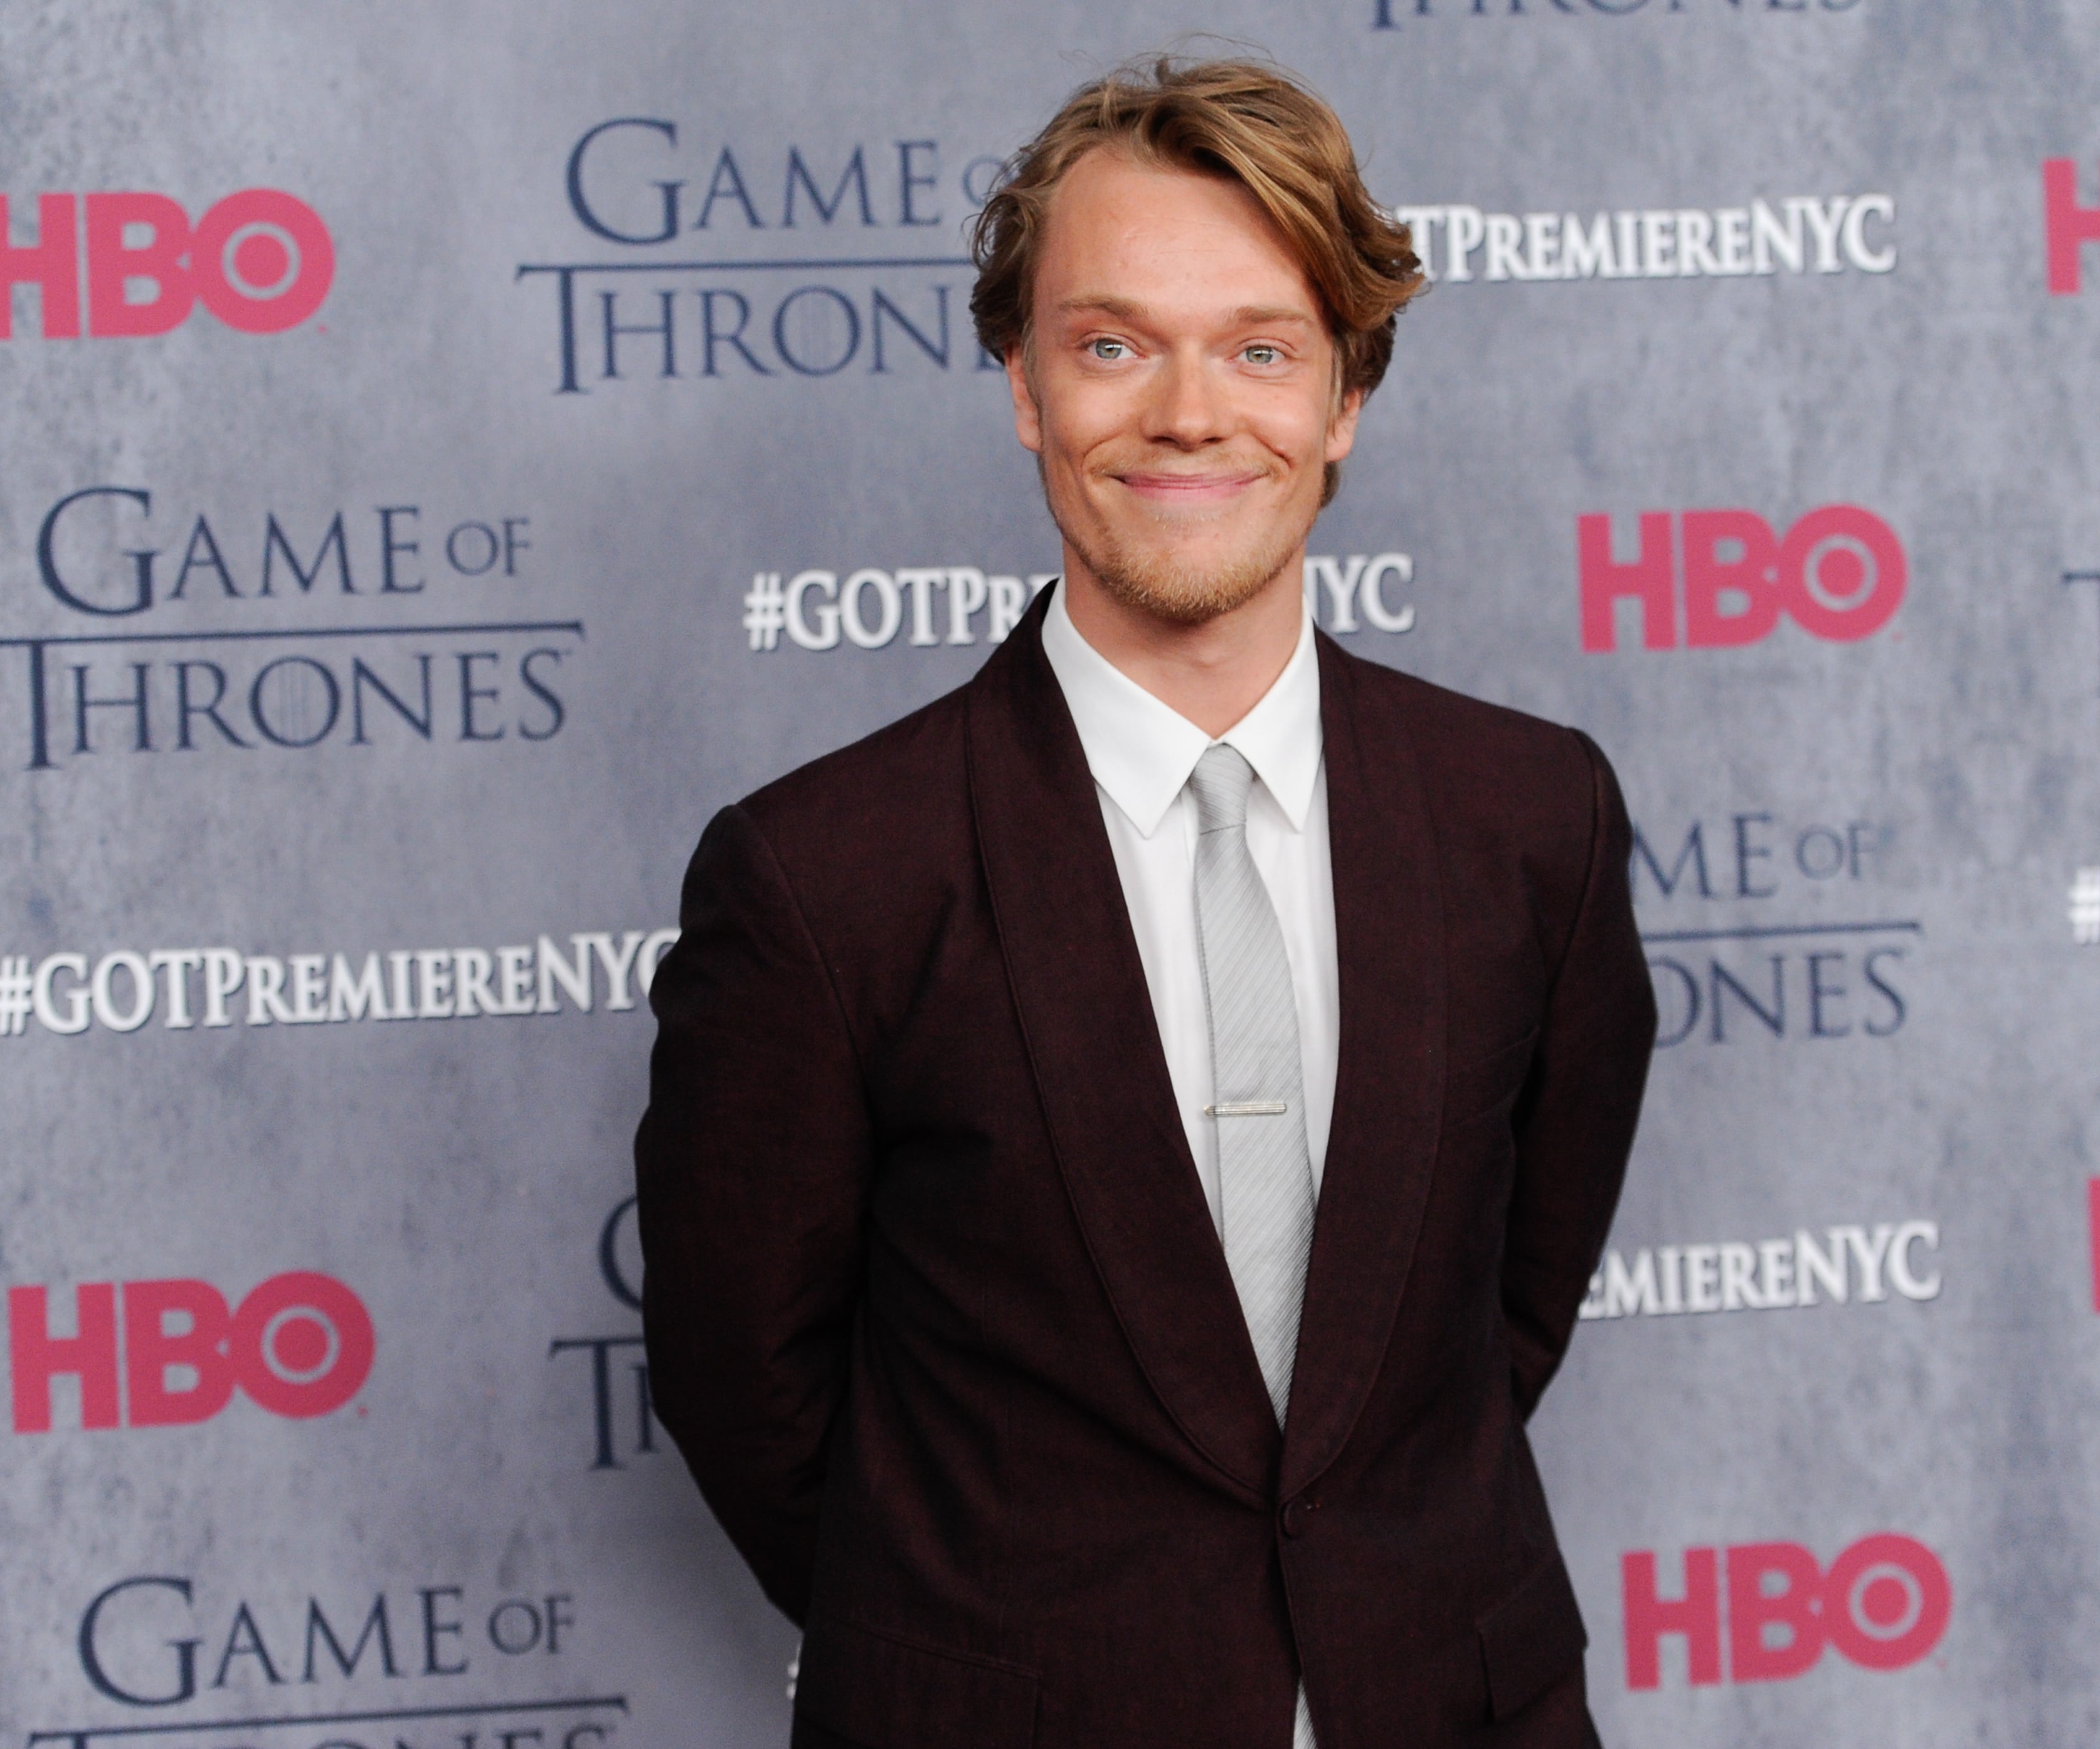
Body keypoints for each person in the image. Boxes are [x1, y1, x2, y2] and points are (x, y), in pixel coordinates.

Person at [636, 56, 1656, 1749]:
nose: (1190, 410)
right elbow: (750, 1395)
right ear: (1024, 386)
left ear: (1344, 399)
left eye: (1261, 347)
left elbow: (1499, 1321)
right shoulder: (823, 879)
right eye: (1112, 343)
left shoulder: (1533, 819)